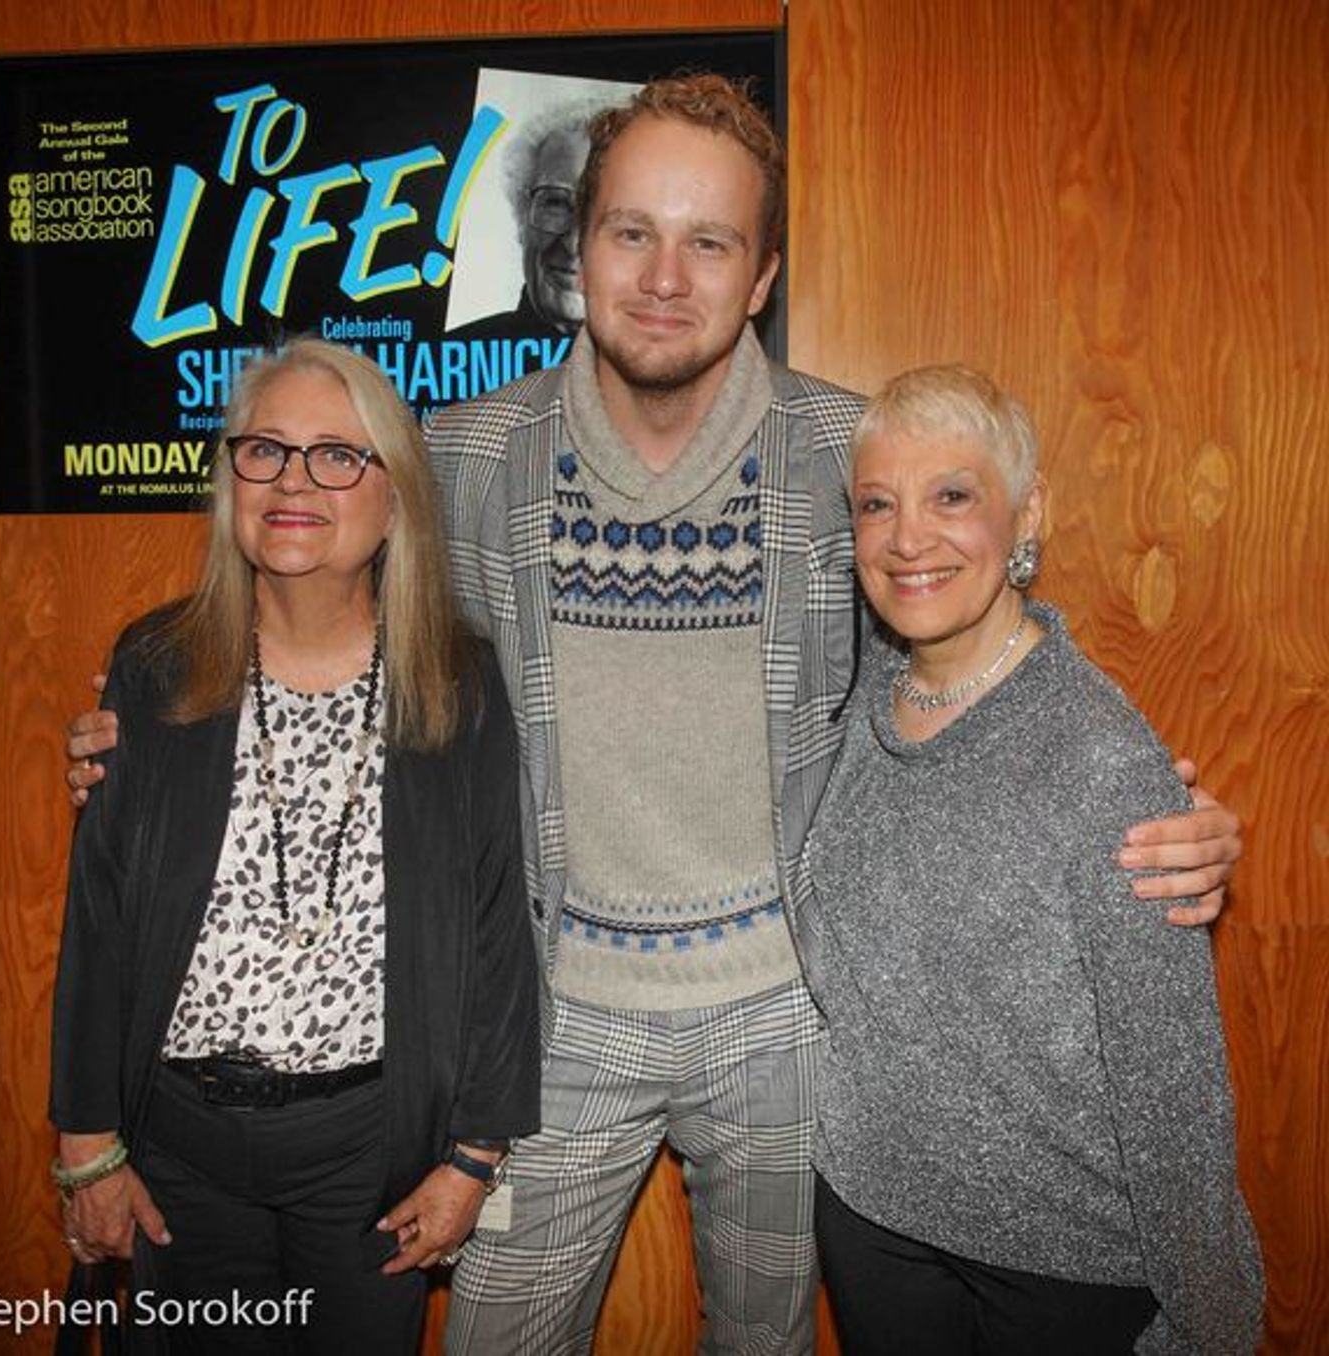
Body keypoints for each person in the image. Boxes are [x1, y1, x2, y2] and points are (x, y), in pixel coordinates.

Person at [66, 77, 1243, 1354]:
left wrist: (1142, 806)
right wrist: (147, 744)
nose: (665, 276)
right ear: (579, 250)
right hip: (550, 1016)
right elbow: (325, 616)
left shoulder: (848, 459)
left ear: (761, 275)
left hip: (785, 1020)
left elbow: (960, 670)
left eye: (710, 241)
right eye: (632, 232)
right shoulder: (462, 458)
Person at [50, 338, 540, 1354]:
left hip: (367, 1156)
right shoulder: (155, 667)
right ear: (229, 477)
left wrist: (472, 1157)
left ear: (397, 497)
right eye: (264, 450)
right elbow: (96, 924)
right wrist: (86, 1144)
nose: (293, 481)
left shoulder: (458, 683)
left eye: (337, 455)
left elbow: (499, 930)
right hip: (176, 1146)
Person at [806, 364, 1263, 1354]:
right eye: (876, 504)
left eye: (951, 496)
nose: (907, 537)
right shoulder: (860, 693)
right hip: (868, 1222)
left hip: (1058, 1267)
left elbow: (1170, 1080)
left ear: (1026, 516)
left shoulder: (1100, 758)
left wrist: (1210, 1318)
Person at [449, 101, 599, 342]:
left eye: (602, 210)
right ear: (520, 217)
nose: (573, 244)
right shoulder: (444, 361)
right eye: (556, 203)